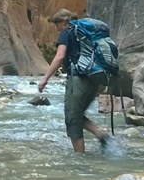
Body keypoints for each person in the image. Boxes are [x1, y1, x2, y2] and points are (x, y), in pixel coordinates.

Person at [38, 9, 112, 153]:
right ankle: (101, 135)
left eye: (57, 24)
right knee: (77, 115)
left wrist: (45, 78)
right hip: (95, 79)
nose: (57, 28)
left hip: (78, 80)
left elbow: (59, 57)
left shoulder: (67, 32)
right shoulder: (86, 34)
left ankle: (80, 159)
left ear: (65, 22)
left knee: (72, 119)